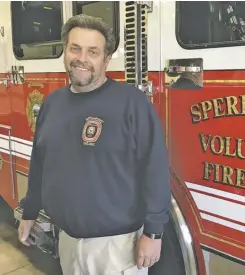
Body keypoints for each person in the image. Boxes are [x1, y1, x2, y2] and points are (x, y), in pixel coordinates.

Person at [17, 14, 171, 275]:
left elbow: (155, 170)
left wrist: (153, 233)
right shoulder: (52, 104)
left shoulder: (131, 104)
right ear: (65, 51)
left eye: (93, 52)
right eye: (75, 48)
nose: (82, 59)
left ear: (106, 60)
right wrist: (29, 211)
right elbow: (40, 163)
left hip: (117, 248)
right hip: (66, 241)